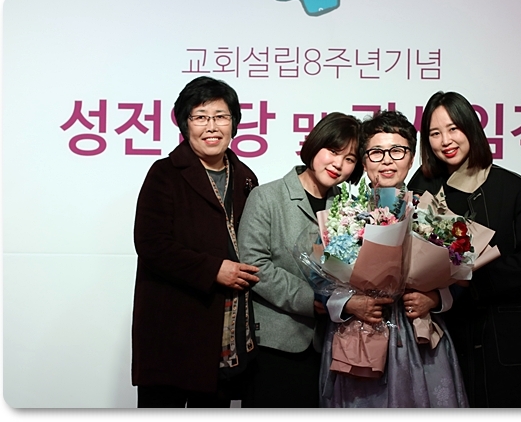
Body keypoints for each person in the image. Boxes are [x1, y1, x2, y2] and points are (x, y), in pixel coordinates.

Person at [407, 91, 521, 408]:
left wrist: (470, 281)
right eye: (435, 133)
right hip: (444, 331)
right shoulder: (422, 187)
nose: (446, 140)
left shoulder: (511, 187)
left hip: (503, 331)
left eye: (453, 128)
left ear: (471, 127)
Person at [319, 110, 468, 408]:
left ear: (411, 159)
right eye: (376, 152)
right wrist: (347, 303)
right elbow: (318, 280)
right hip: (358, 336)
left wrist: (434, 299)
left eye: (397, 151)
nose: (387, 160)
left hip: (418, 340)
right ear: (364, 162)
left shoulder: (433, 214)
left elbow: (459, 277)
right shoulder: (342, 214)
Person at [131, 76, 261, 408]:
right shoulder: (165, 173)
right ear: (185, 124)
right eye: (200, 116)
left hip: (224, 331)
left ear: (234, 123)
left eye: (221, 116)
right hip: (172, 328)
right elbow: (151, 244)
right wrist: (213, 269)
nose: (211, 126)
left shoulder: (246, 178)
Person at [237, 112, 363, 407]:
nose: (338, 164)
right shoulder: (267, 197)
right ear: (315, 145)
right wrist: (312, 299)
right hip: (275, 344)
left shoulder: (348, 208)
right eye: (333, 151)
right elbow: (255, 265)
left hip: (330, 345)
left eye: (349, 159)